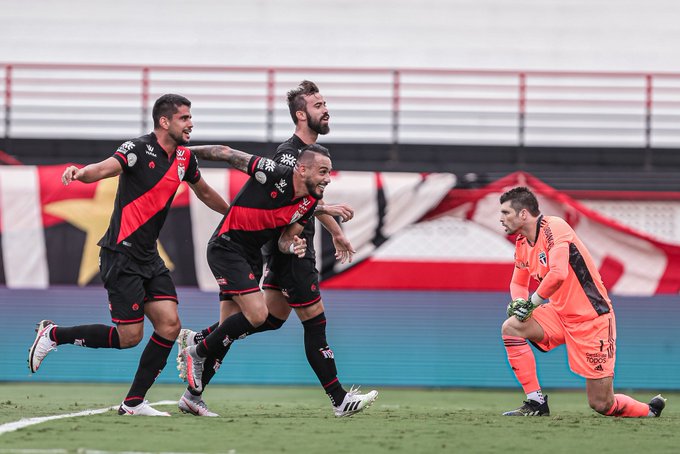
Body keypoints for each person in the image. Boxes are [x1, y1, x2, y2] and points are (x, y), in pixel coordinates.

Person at [176, 81, 378, 418]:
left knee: (261, 321)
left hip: (279, 246)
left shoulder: (314, 174)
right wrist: (178, 155)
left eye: (325, 103)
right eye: (318, 105)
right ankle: (340, 400)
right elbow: (230, 157)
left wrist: (331, 230)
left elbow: (309, 204)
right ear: (301, 114)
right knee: (311, 322)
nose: (326, 109)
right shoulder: (289, 157)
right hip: (278, 252)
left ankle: (195, 380)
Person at [27, 94, 230, 417]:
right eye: (184, 118)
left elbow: (204, 191)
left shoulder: (184, 160)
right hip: (120, 255)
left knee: (169, 325)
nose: (191, 123)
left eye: (191, 118)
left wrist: (233, 214)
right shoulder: (137, 149)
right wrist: (81, 173)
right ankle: (54, 334)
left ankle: (133, 402)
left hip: (149, 257)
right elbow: (105, 168)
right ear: (164, 122)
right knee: (129, 337)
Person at [499, 186, 666, 417]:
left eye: (506, 212)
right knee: (511, 327)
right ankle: (536, 403)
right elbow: (518, 283)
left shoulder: (554, 228)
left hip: (592, 319)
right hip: (559, 314)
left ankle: (649, 411)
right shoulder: (521, 242)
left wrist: (531, 303)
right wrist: (519, 303)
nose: (501, 218)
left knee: (602, 404)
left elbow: (558, 274)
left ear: (524, 214)